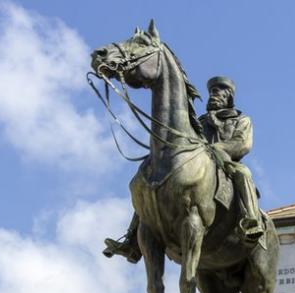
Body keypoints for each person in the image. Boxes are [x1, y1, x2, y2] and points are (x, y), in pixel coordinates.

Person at [103, 76, 264, 263]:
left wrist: (215, 144)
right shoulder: (200, 121)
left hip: (225, 161)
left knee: (244, 173)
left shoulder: (240, 119)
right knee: (152, 182)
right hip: (199, 164)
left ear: (228, 97)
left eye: (218, 93)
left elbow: (242, 144)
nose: (214, 96)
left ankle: (250, 221)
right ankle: (132, 240)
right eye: (212, 93)